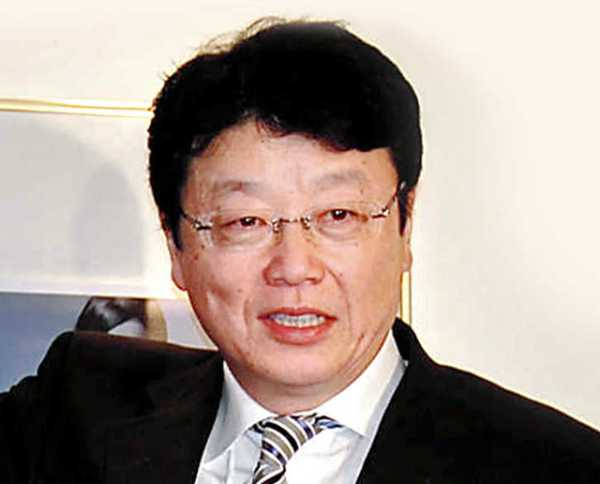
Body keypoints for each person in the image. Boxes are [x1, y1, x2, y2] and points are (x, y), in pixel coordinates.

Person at [1, 17, 599, 484]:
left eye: (338, 215)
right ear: (176, 245)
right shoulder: (76, 408)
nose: (294, 268)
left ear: (405, 224)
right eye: (245, 221)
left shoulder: (556, 468)